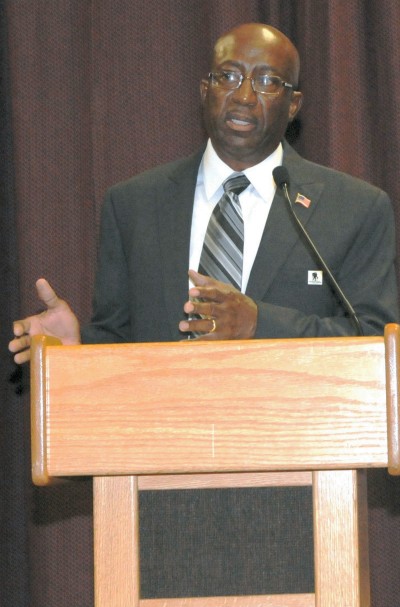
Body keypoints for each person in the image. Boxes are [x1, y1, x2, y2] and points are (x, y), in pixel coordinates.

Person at [9, 22, 399, 596]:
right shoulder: (134, 205)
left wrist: (258, 323)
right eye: (229, 76)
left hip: (302, 497)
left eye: (267, 81)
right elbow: (122, 341)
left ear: (294, 105)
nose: (244, 96)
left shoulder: (353, 209)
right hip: (156, 502)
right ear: (204, 90)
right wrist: (76, 350)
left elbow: (374, 343)